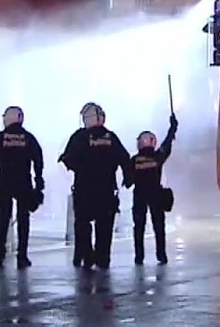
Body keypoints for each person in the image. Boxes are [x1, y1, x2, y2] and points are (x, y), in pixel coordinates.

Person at [59, 102, 130, 270]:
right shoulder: (110, 137)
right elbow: (125, 159)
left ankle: (88, 255)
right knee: (104, 227)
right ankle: (102, 258)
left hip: (85, 189)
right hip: (106, 190)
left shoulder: (79, 137)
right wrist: (128, 178)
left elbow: (68, 160)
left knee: (83, 224)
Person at [0, 106, 44, 269]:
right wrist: (38, 180)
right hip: (24, 182)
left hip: (5, 182)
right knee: (23, 219)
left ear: (10, 118)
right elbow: (38, 159)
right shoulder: (29, 138)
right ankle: (22, 255)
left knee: (3, 218)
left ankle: (0, 255)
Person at [124, 114, 178, 265]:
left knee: (139, 227)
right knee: (159, 226)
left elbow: (128, 181)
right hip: (156, 194)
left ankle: (139, 256)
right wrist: (172, 128)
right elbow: (167, 145)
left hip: (139, 195)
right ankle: (161, 255)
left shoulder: (134, 160)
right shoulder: (158, 156)